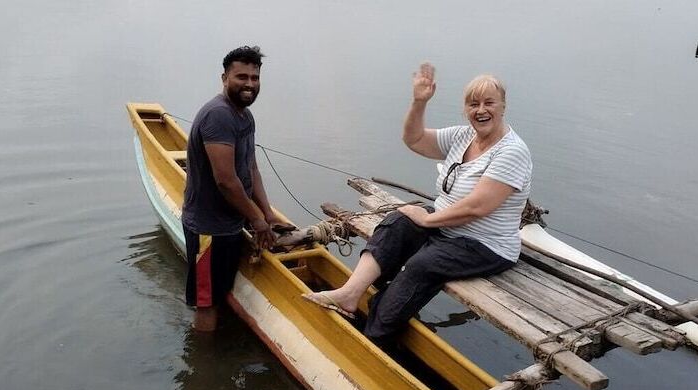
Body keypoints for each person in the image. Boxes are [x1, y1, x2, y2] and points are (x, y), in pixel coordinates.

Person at [304, 62, 532, 347]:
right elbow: (414, 139)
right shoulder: (463, 136)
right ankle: (349, 294)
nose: (481, 110)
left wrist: (426, 219)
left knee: (422, 264)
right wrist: (419, 102)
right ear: (465, 109)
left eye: (489, 103)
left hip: (485, 244)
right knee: (397, 222)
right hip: (447, 227)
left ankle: (375, 338)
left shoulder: (512, 152)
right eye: (473, 104)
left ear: (503, 106)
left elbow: (477, 207)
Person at [182, 45, 282, 332]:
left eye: (255, 78)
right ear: (224, 78)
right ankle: (202, 356)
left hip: (231, 224)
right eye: (241, 77)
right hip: (209, 229)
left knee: (219, 290)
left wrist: (267, 213)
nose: (249, 84)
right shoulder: (219, 116)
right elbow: (225, 180)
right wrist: (256, 220)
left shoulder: (244, 116)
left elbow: (251, 169)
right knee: (207, 302)